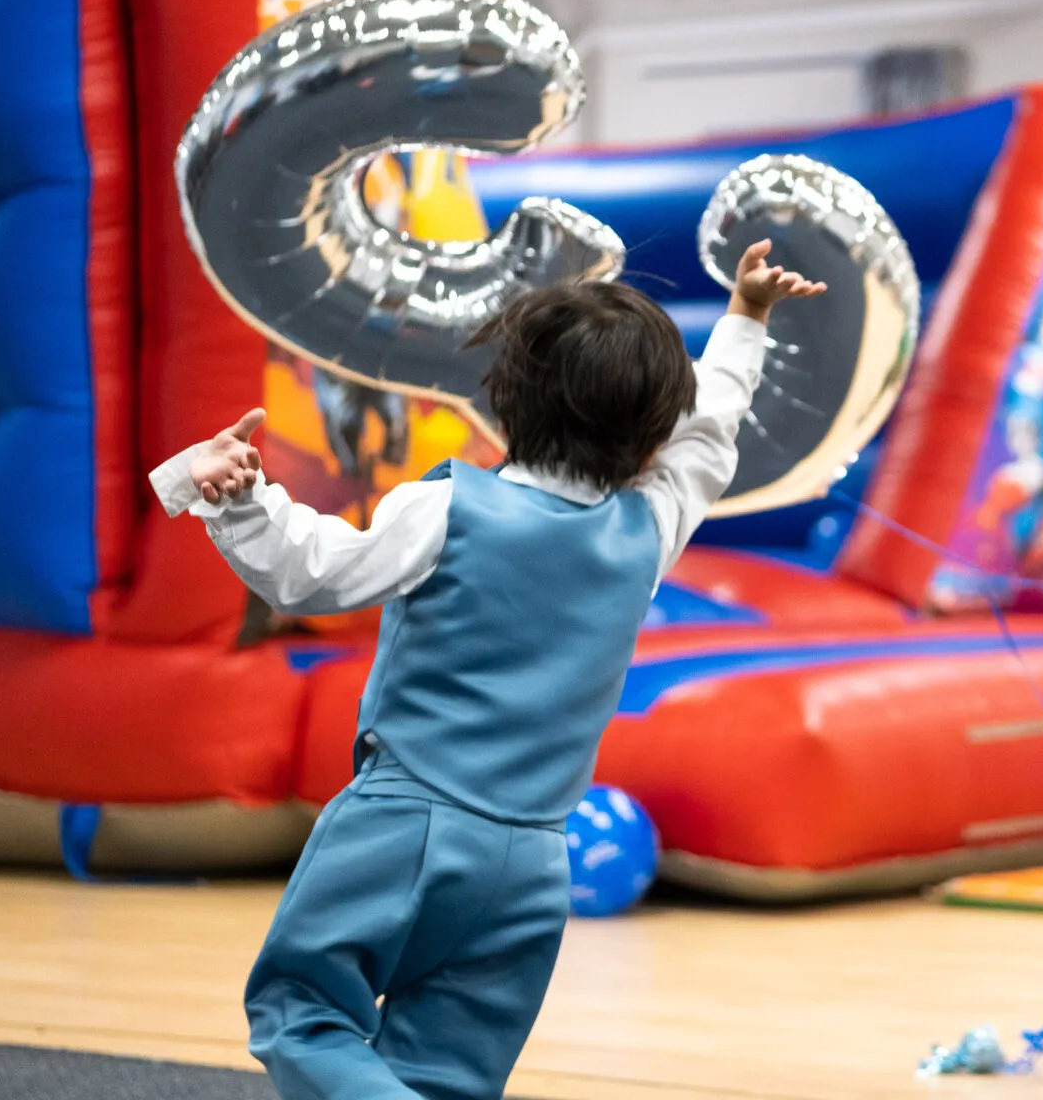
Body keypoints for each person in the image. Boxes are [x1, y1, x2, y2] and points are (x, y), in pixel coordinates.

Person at [148, 242, 823, 1100]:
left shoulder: (451, 507)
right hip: (536, 860)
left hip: (404, 825)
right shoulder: (649, 531)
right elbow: (714, 425)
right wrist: (745, 322)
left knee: (301, 1011)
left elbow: (311, 572)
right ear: (654, 438)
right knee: (445, 1074)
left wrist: (241, 499)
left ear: (505, 399)